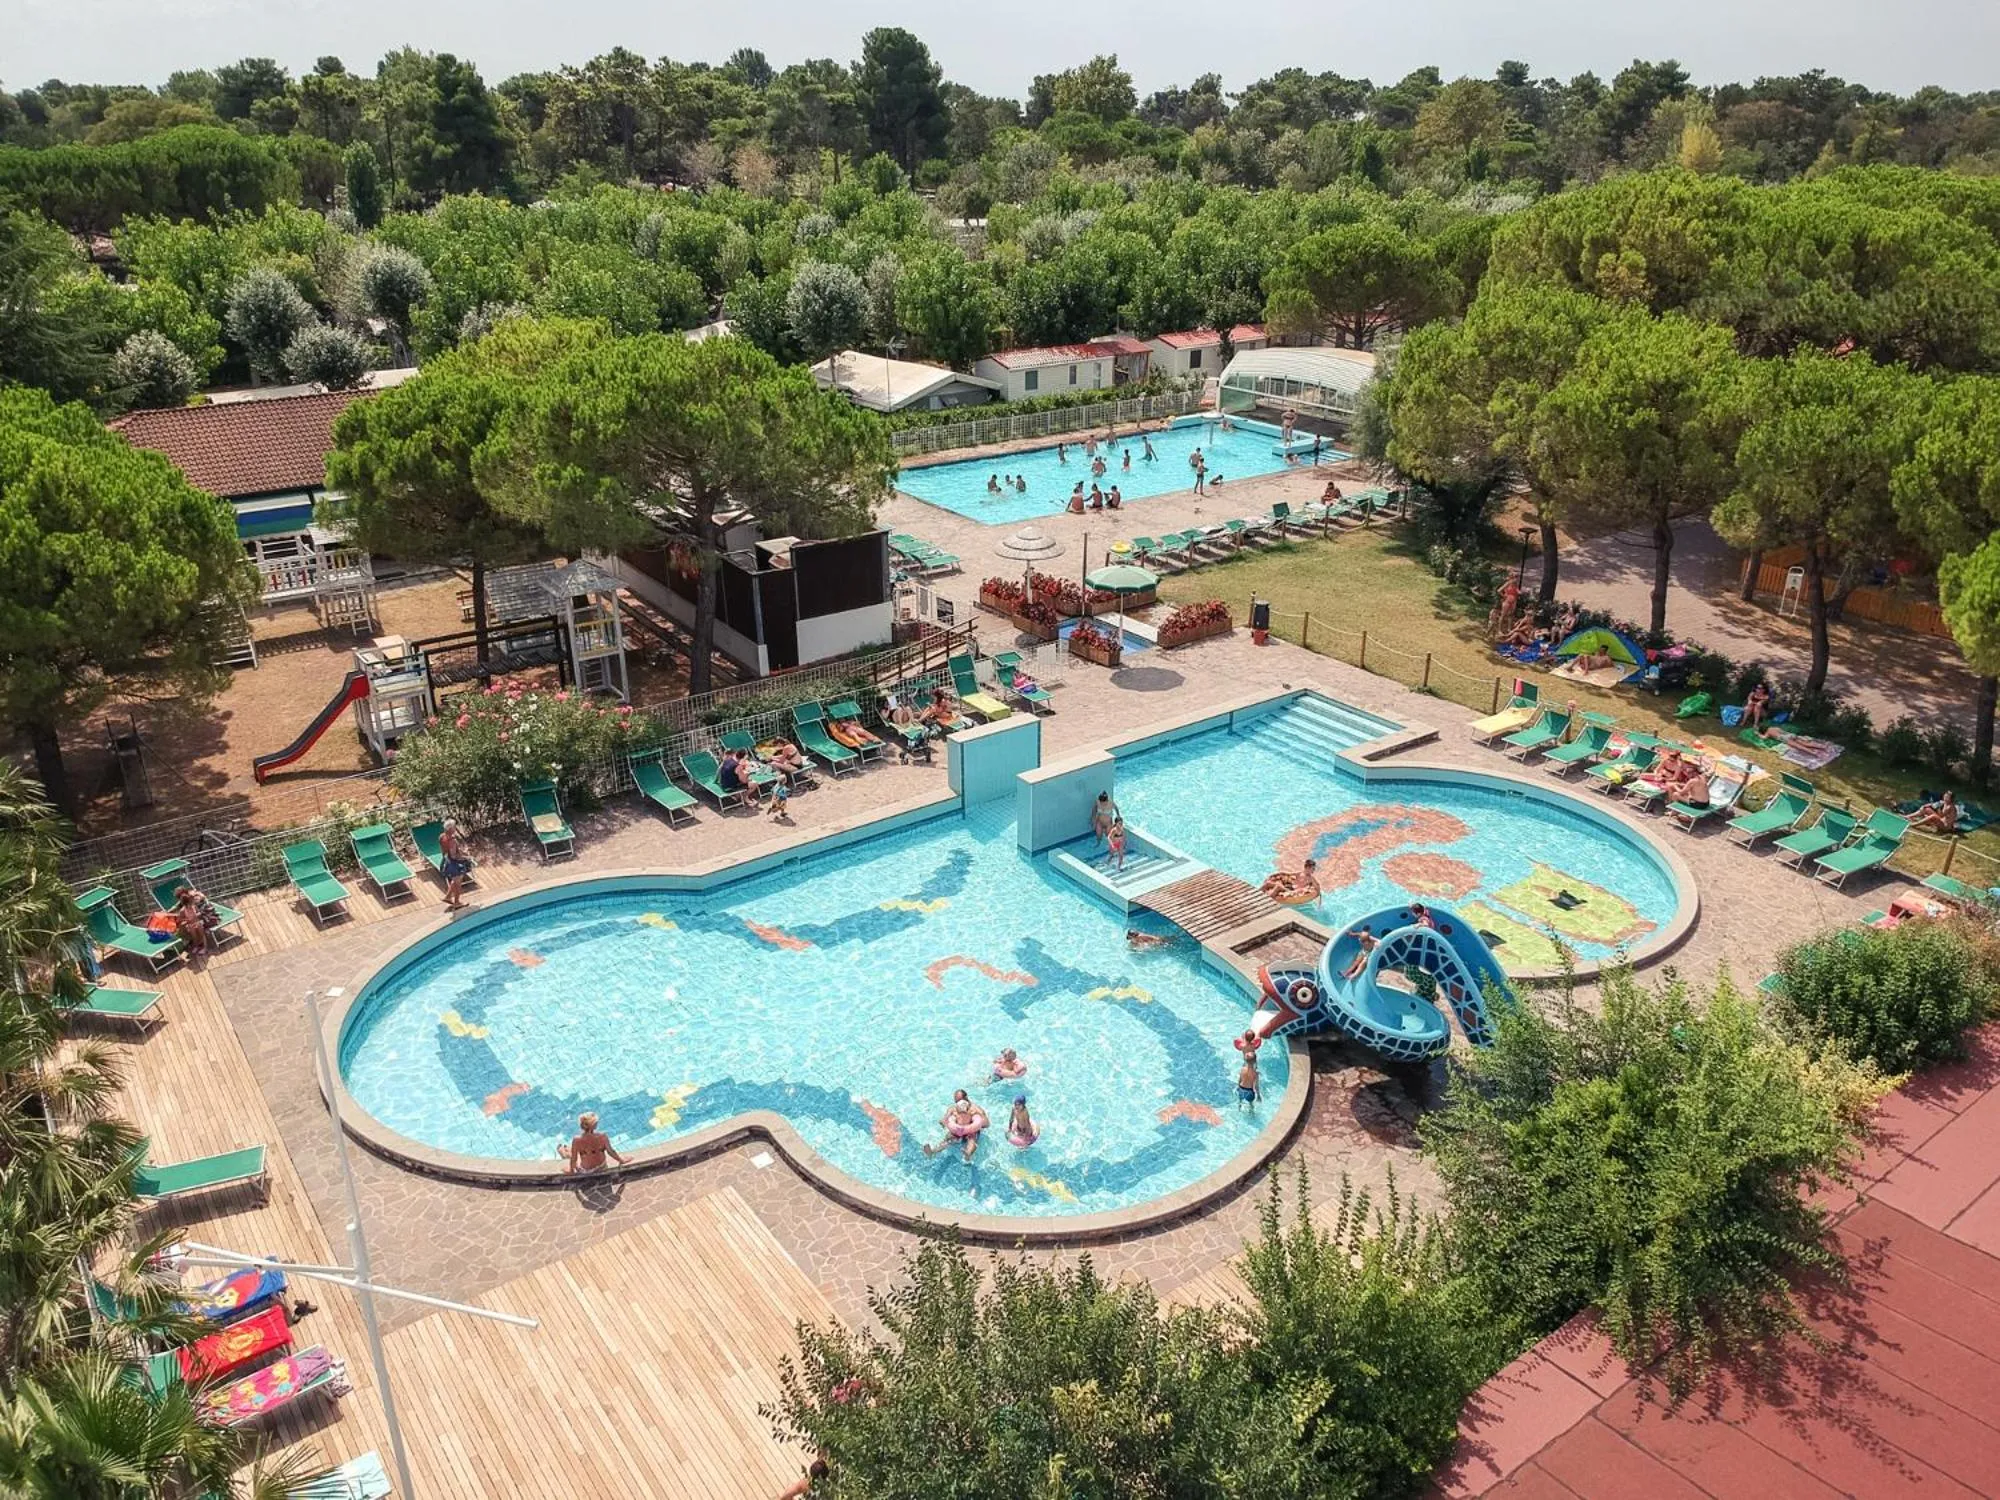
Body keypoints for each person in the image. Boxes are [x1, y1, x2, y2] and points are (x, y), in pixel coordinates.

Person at [924, 1090, 988, 1161]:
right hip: (957, 1130)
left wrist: (978, 1121)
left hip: (971, 1130)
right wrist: (945, 1123)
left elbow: (986, 1123)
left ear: (966, 1098)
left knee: (972, 1138)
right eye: (956, 1101)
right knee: (949, 1138)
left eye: (960, 1100)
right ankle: (933, 1151)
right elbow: (944, 1119)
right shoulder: (953, 1109)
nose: (958, 1103)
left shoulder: (975, 1109)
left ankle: (968, 1154)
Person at [558, 1113, 627, 1174]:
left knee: (570, 1154)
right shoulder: (602, 1136)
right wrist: (621, 1160)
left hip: (586, 1171)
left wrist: (571, 1170)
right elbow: (611, 1152)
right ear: (594, 1125)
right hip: (601, 1167)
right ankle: (564, 1149)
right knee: (577, 1151)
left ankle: (562, 1150)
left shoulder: (577, 1139)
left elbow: (574, 1158)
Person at [173, 885, 218, 958]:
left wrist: (189, 919)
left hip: (209, 917)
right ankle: (196, 943)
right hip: (198, 917)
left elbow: (202, 912)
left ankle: (198, 944)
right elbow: (178, 907)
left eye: (179, 897)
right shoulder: (188, 898)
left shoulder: (194, 899)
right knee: (189, 927)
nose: (179, 899)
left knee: (189, 927)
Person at [438, 819, 473, 910]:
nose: (455, 828)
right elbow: (454, 856)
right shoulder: (452, 840)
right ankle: (457, 903)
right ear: (450, 829)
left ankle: (448, 897)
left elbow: (444, 851)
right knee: (458, 883)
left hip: (447, 861)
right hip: (454, 864)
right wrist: (466, 858)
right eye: (454, 827)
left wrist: (462, 852)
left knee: (456, 880)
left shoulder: (442, 837)